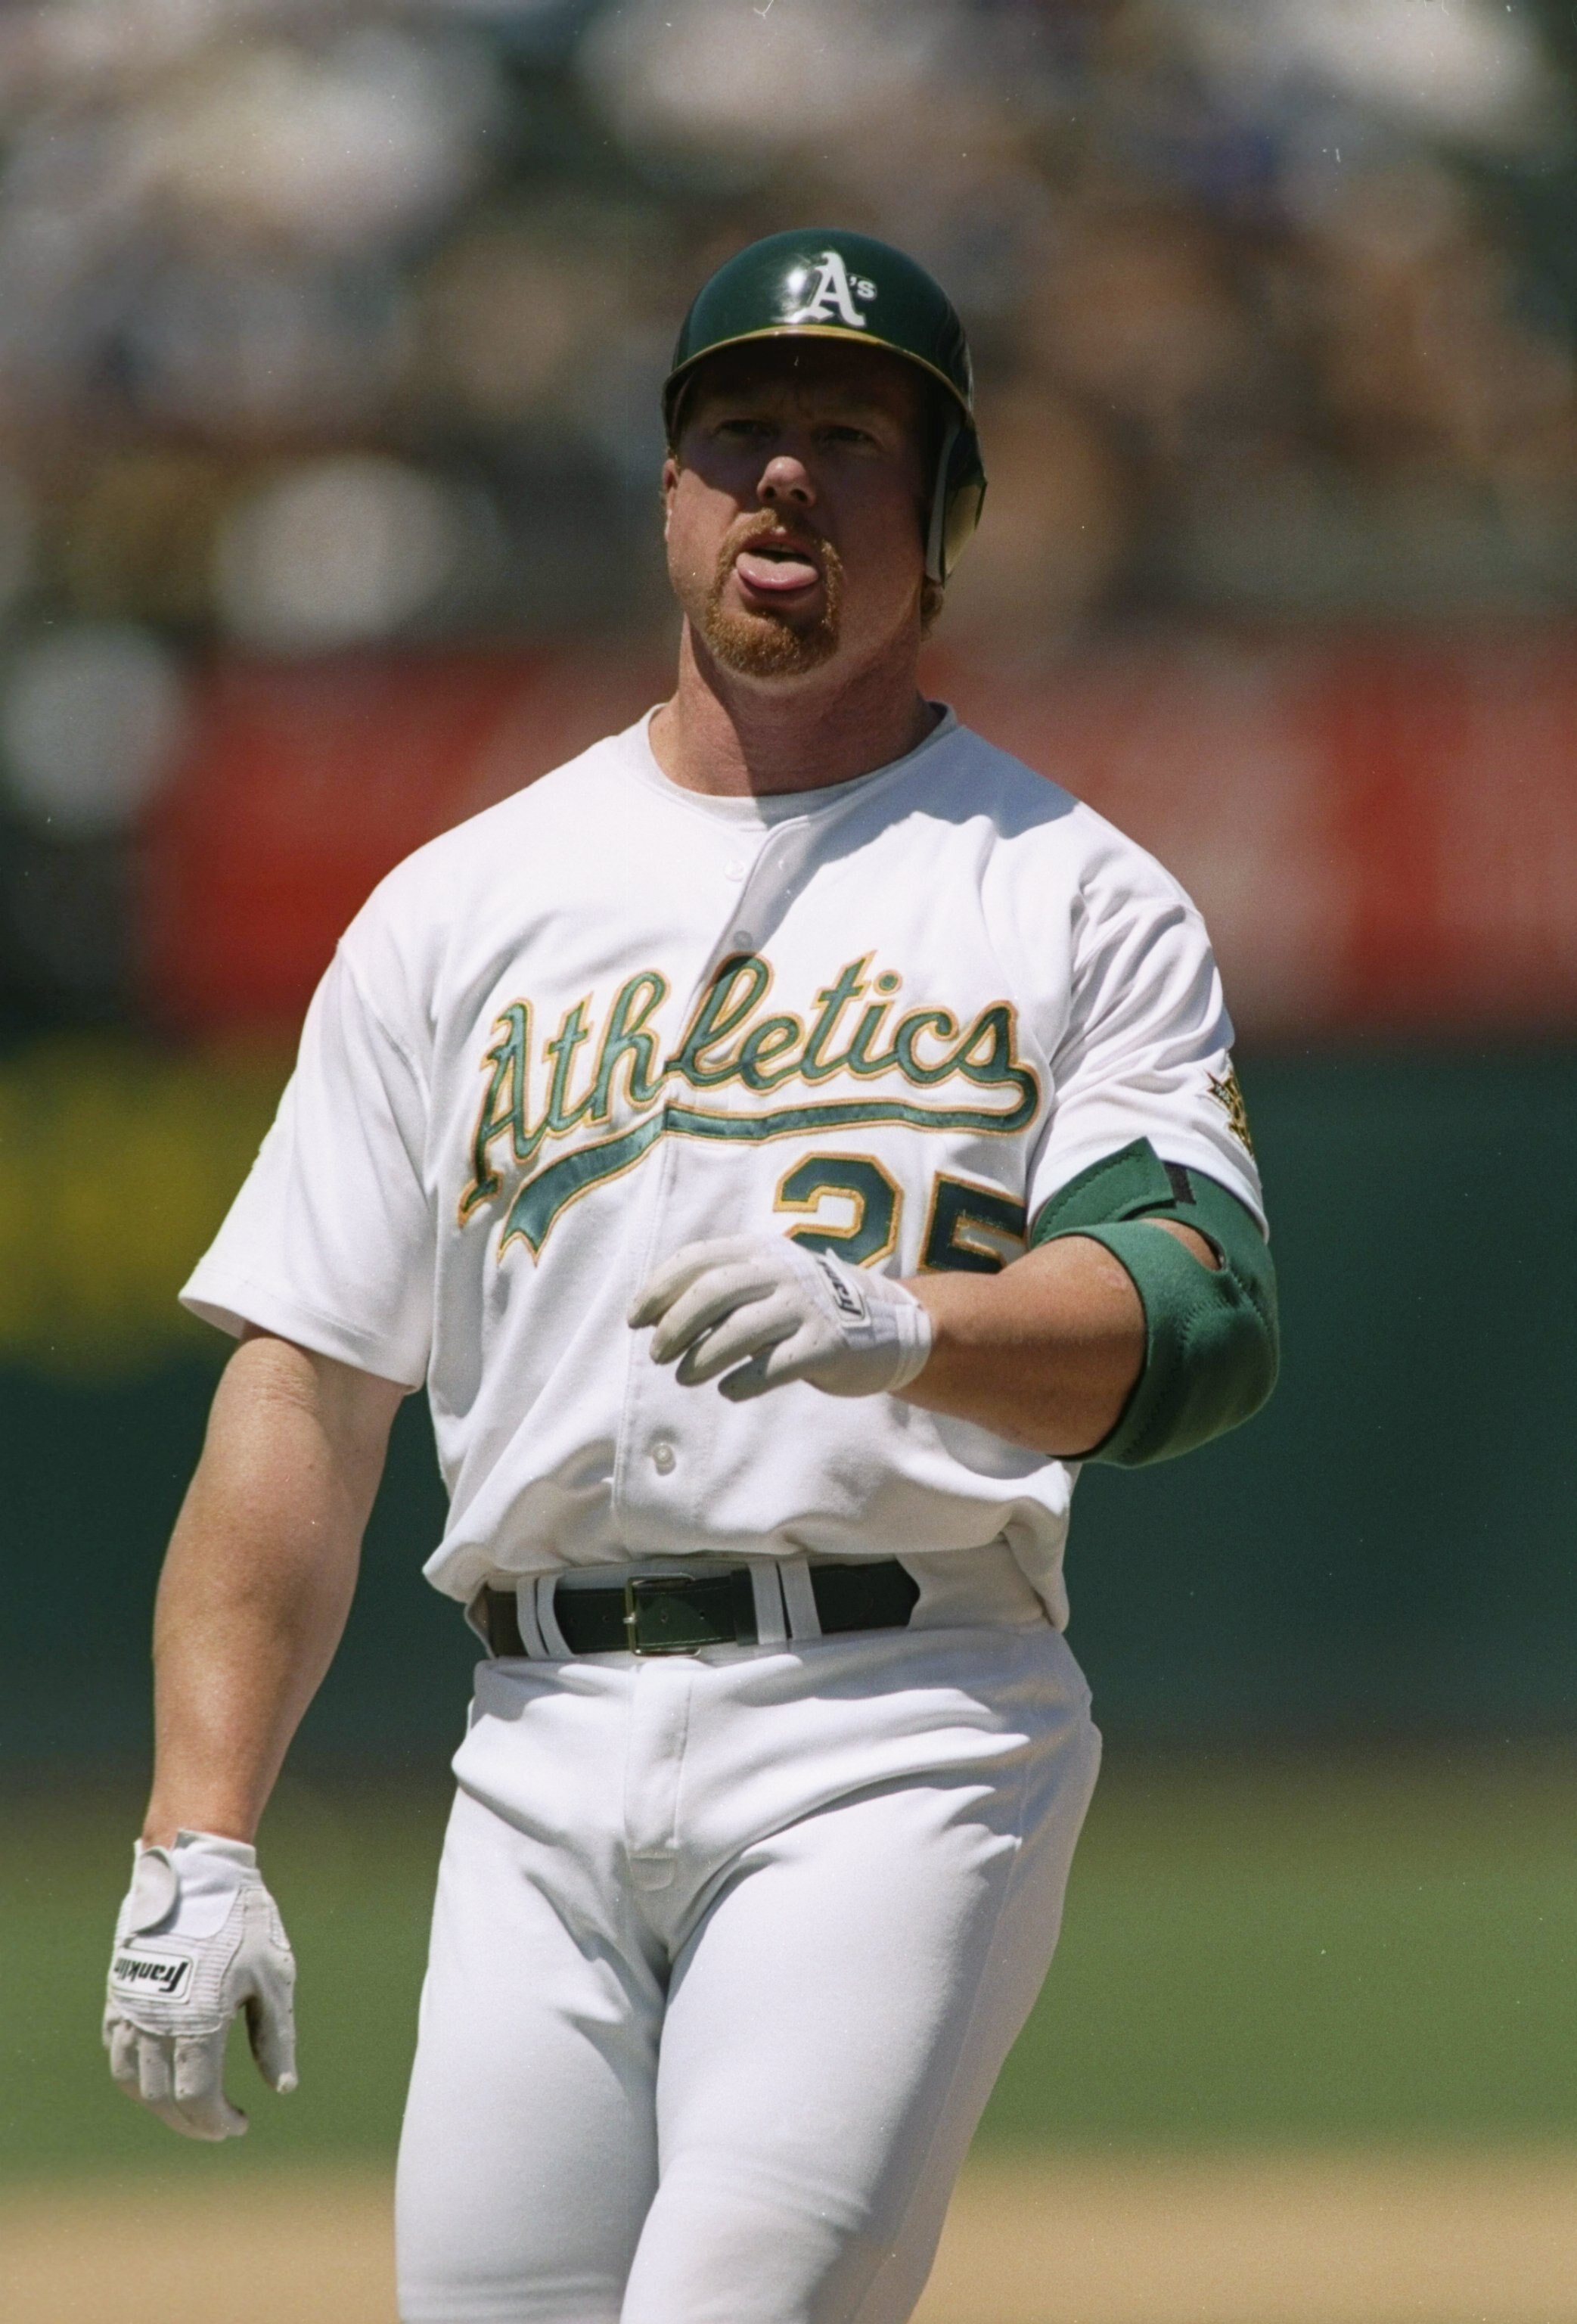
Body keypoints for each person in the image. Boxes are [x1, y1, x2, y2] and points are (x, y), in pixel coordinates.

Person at [103, 228, 1278, 2324]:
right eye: (741, 431)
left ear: (952, 520)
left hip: (900, 1721)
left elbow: (1198, 1319)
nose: (788, 483)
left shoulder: (1073, 892)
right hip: (535, 1736)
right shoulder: (462, 907)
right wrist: (198, 1831)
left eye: (853, 437)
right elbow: (306, 1386)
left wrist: (917, 1330)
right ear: (668, 490)